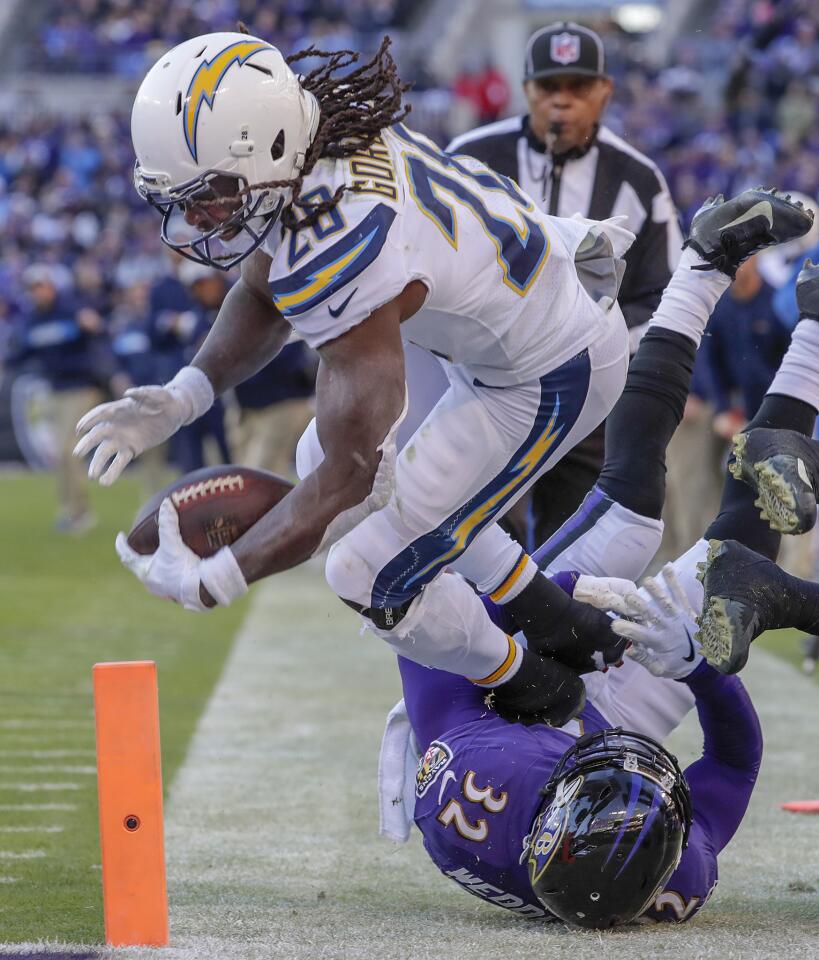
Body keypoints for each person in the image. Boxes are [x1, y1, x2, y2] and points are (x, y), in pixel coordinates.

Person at [73, 30, 810, 725]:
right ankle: (555, 622)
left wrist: (219, 578)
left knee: (363, 571)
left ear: (266, 146)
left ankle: (531, 680)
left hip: (542, 373)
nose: (199, 216)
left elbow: (349, 473)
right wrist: (184, 395)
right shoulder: (319, 135)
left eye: (210, 192)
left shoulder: (341, 242)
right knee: (376, 491)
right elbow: (265, 287)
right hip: (491, 321)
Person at [370, 230, 819, 930]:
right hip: (585, 737)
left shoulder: (472, 777)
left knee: (630, 513)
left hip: (492, 701)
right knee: (742, 548)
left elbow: (431, 626)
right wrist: (697, 669)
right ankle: (817, 333)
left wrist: (564, 605)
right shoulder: (673, 871)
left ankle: (701, 263)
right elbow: (732, 766)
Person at [448, 22, 682, 547]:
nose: (563, 102)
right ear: (526, 89)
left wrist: (603, 353)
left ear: (605, 91)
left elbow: (660, 298)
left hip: (585, 406)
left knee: (570, 555)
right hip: (481, 388)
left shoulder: (638, 180)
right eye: (550, 87)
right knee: (470, 549)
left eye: (579, 87)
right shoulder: (469, 161)